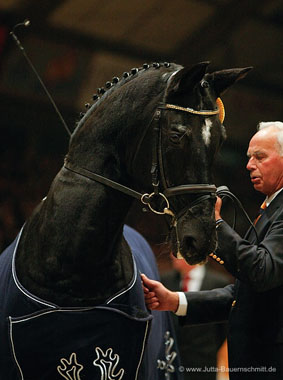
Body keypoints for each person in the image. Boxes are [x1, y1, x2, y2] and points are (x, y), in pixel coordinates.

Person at [142, 121, 283, 380]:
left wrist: (216, 225)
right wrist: (175, 301)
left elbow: (262, 272)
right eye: (249, 157)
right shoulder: (270, 211)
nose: (249, 165)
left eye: (260, 157)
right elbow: (242, 295)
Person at [161, 257, 231, 380]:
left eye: (177, 252)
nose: (172, 256)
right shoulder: (165, 281)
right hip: (172, 358)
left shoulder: (219, 282)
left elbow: (223, 327)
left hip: (203, 361)